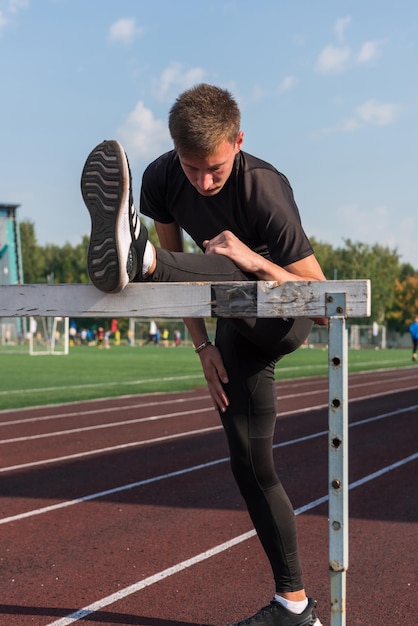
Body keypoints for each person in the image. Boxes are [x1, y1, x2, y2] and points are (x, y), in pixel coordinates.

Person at [81, 84, 326, 626]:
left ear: (238, 141)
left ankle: (134, 252)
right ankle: (295, 605)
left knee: (223, 260)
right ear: (173, 152)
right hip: (227, 320)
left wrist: (256, 261)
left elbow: (323, 299)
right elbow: (173, 272)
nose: (204, 181)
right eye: (192, 169)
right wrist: (201, 344)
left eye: (214, 168)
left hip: (282, 314)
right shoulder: (162, 178)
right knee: (249, 463)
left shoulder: (264, 189)